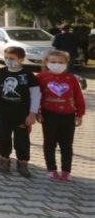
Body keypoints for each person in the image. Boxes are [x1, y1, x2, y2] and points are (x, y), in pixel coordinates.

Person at [0, 46, 40, 177]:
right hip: (3, 112)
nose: (8, 60)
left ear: (21, 59)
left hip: (22, 114)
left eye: (12, 58)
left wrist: (32, 113)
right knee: (3, 136)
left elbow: (35, 94)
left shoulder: (28, 74)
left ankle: (23, 163)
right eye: (6, 57)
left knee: (22, 139)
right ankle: (4, 160)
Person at [37, 50, 86, 181]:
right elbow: (36, 97)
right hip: (49, 115)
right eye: (53, 62)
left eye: (60, 62)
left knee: (66, 144)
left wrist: (79, 114)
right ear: (46, 63)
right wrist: (37, 112)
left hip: (68, 115)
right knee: (49, 143)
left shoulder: (71, 79)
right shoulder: (40, 78)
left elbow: (79, 97)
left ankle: (66, 171)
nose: (57, 65)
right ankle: (51, 169)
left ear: (66, 64)